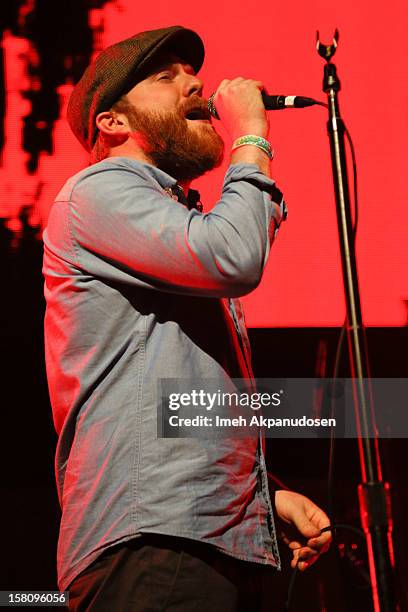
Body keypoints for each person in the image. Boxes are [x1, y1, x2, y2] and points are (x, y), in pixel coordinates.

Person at [43, 25, 331, 611]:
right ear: (113, 122)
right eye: (165, 77)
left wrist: (262, 497)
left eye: (188, 72)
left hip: (195, 536)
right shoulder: (98, 191)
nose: (195, 83)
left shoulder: (165, 226)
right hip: (153, 538)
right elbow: (233, 255)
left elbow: (181, 397)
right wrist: (253, 134)